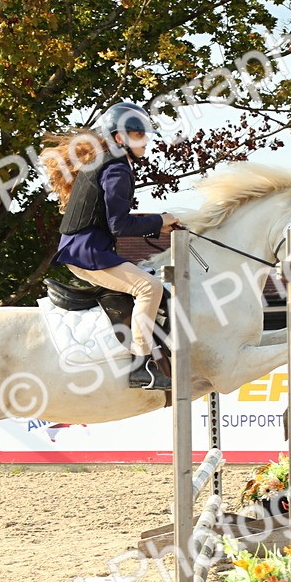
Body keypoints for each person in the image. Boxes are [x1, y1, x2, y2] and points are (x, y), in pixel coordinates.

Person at [40, 101, 179, 390]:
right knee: (148, 288)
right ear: (120, 138)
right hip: (87, 253)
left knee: (149, 283)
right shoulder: (117, 169)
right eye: (139, 134)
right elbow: (119, 225)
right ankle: (142, 366)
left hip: (83, 248)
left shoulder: (107, 162)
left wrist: (159, 223)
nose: (146, 140)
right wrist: (159, 220)